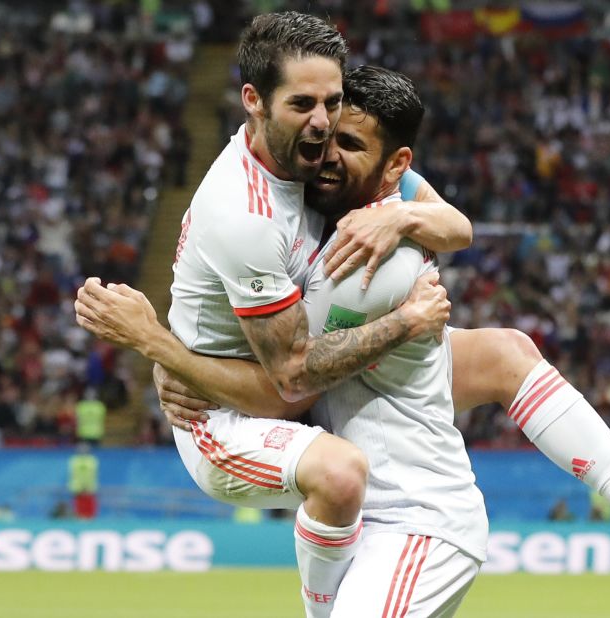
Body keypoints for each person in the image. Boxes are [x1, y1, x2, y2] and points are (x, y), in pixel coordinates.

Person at [75, 14, 465, 618]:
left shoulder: (316, 154)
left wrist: (403, 216)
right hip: (224, 414)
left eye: (332, 103)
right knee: (340, 475)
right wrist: (404, 323)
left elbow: (457, 225)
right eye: (302, 104)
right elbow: (290, 379)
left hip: (290, 374)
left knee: (505, 352)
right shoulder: (245, 214)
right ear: (254, 101)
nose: (321, 122)